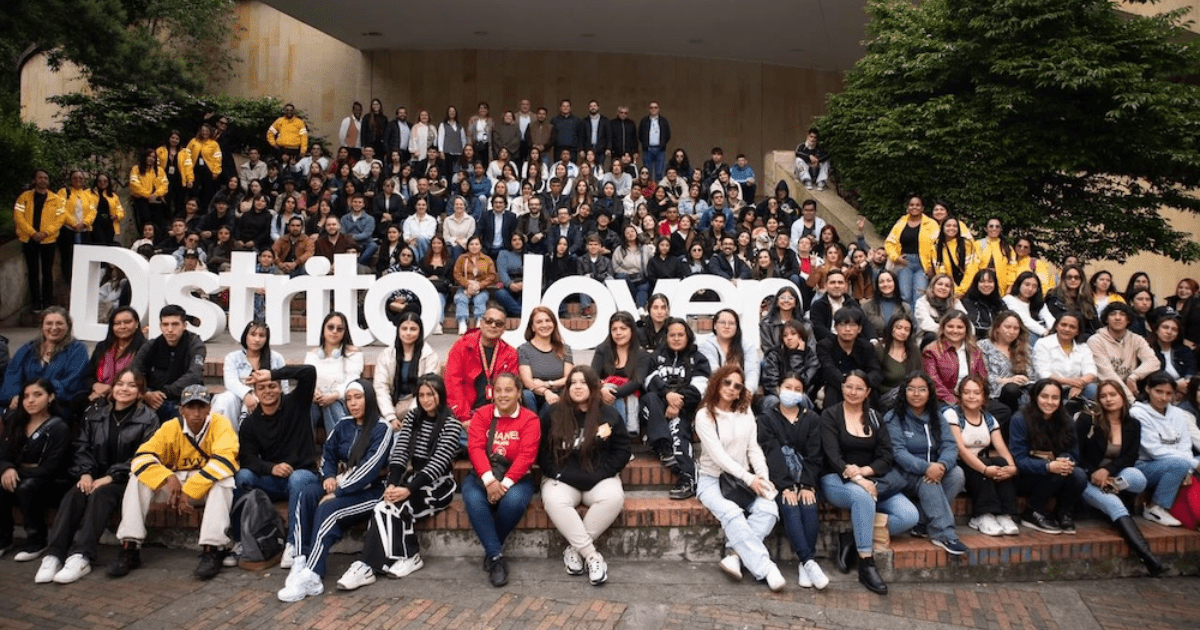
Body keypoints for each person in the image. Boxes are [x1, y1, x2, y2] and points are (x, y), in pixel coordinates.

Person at [335, 375, 462, 590]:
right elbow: (400, 452)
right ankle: (390, 559)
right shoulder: (412, 417)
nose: (425, 400)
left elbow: (437, 465)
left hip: (438, 485)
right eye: (421, 395)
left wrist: (408, 490)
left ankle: (376, 563)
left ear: (440, 395)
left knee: (396, 507)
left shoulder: (451, 425)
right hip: (412, 479)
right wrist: (393, 484)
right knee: (382, 506)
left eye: (430, 394)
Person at [33, 370, 157, 583]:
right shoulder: (95, 413)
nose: (124, 389)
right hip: (93, 476)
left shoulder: (148, 419)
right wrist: (86, 473)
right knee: (75, 494)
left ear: (140, 392)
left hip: (126, 481)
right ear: (113, 387)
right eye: (120, 383)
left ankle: (81, 556)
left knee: (101, 495)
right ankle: (53, 555)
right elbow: (82, 447)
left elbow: (145, 455)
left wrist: (110, 477)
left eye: (132, 385)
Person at [276, 380, 390, 601]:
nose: (353, 403)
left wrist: (338, 492)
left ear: (369, 398)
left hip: (372, 492)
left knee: (329, 509)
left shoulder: (381, 428)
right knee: (307, 493)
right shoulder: (343, 425)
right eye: (349, 399)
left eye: (358, 397)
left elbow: (370, 468)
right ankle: (300, 559)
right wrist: (328, 476)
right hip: (340, 483)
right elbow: (328, 454)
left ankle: (313, 575)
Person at [108, 385, 238, 579]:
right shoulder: (170, 427)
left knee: (224, 480)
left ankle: (212, 549)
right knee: (138, 478)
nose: (196, 413)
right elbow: (141, 458)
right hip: (174, 485)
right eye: (191, 407)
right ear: (181, 409)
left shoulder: (220, 424)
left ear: (209, 408)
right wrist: (167, 477)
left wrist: (190, 490)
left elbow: (225, 461)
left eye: (201, 407)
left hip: (201, 486)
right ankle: (130, 547)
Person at [820, 371, 917, 595]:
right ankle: (866, 563)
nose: (853, 392)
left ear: (868, 392)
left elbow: (886, 456)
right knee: (862, 497)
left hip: (873, 479)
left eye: (859, 388)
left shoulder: (875, 417)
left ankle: (851, 537)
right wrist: (858, 479)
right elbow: (833, 457)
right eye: (849, 387)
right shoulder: (830, 415)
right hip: (837, 479)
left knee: (909, 515)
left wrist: (864, 472)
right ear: (842, 387)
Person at [693, 364, 786, 591]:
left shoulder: (745, 412)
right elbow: (719, 457)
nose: (731, 388)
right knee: (732, 513)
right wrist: (749, 478)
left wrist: (762, 477)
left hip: (742, 481)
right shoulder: (704, 415)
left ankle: (734, 555)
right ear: (717, 383)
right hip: (712, 479)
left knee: (769, 509)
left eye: (737, 386)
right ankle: (767, 569)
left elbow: (753, 448)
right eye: (727, 382)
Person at [536, 366, 630, 586]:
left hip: (598, 478)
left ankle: (573, 550)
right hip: (562, 477)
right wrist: (557, 472)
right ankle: (592, 556)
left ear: (593, 386)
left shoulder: (608, 414)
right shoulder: (553, 413)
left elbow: (622, 450)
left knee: (613, 498)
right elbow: (541, 452)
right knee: (554, 501)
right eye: (573, 383)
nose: (577, 387)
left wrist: (603, 474)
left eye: (583, 382)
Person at [234, 363, 319, 569]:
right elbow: (247, 458)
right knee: (243, 476)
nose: (267, 391)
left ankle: (293, 543)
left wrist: (272, 373)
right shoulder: (251, 423)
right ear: (255, 393)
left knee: (297, 478)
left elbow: (309, 372)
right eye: (261, 388)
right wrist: (270, 468)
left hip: (303, 476)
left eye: (272, 385)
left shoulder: (296, 403)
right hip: (272, 481)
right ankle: (243, 538)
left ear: (280, 387)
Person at [1075, 381, 1165, 574]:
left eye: (1113, 395)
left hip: (1114, 477)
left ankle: (1110, 490)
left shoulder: (1133, 424)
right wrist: (1094, 473)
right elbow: (1076, 454)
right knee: (1115, 505)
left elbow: (1130, 456)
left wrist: (1107, 471)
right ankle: (1149, 558)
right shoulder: (1088, 420)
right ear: (1098, 400)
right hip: (1088, 479)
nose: (1108, 399)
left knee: (1137, 478)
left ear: (1122, 397)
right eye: (1103, 396)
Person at [461, 372, 540, 587]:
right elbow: (475, 448)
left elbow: (527, 456)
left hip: (517, 478)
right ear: (492, 393)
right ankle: (496, 557)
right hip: (483, 475)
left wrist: (502, 486)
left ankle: (491, 549)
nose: (503, 395)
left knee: (512, 502)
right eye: (498, 390)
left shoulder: (530, 419)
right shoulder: (482, 414)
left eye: (508, 390)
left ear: (519, 393)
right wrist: (489, 482)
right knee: (473, 500)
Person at [880, 372, 968, 554]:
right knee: (928, 481)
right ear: (904, 392)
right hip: (903, 474)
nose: (916, 394)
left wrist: (942, 465)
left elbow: (950, 445)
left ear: (929, 393)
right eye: (911, 389)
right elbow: (898, 453)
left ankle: (921, 523)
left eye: (922, 389)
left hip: (933, 469)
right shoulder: (894, 417)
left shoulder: (936, 416)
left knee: (957, 474)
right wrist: (926, 468)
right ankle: (943, 534)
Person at [757, 371, 828, 589]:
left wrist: (806, 484)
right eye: (788, 387)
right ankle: (809, 561)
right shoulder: (767, 419)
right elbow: (771, 453)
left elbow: (815, 455)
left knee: (809, 504)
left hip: (806, 476)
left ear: (804, 393)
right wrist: (786, 486)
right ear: (779, 389)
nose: (792, 392)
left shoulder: (812, 419)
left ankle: (805, 564)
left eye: (798, 389)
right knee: (790, 505)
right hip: (779, 479)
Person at [641, 317, 712, 500]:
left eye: (681, 334)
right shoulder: (656, 357)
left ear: (688, 336)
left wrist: (677, 404)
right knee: (649, 399)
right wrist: (667, 395)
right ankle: (664, 447)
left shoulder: (698, 359)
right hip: (656, 408)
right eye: (672, 335)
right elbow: (648, 381)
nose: (676, 338)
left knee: (679, 433)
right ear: (666, 337)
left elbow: (699, 389)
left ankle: (688, 478)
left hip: (683, 409)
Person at [0, 379, 70, 561]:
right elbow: (4, 455)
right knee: (3, 482)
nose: (30, 400)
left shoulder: (59, 427)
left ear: (50, 397)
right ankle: (4, 538)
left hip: (52, 483)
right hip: (24, 477)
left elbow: (50, 468)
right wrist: (7, 468)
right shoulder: (15, 422)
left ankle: (37, 540)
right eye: (26, 396)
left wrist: (15, 470)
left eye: (37, 395)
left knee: (26, 486)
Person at [1009, 379, 1087, 534]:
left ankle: (1063, 512)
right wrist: (1048, 466)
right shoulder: (1020, 419)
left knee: (1079, 475)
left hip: (1056, 472)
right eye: (1044, 396)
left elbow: (1074, 453)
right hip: (1026, 475)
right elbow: (1019, 459)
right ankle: (1032, 511)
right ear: (1035, 397)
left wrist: (1065, 460)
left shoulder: (1066, 420)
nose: (1050, 402)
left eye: (1055, 398)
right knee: (1057, 473)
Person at [946, 375, 1020, 537]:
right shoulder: (952, 415)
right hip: (959, 465)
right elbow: (960, 450)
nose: (971, 396)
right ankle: (982, 515)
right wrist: (985, 469)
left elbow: (1002, 448)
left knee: (1001, 462)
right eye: (966, 392)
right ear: (960, 395)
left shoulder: (988, 418)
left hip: (980, 464)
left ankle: (1004, 514)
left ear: (984, 397)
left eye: (976, 393)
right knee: (984, 465)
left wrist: (1011, 467)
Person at [1131, 371, 1200, 527]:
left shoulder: (1178, 413)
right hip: (1144, 466)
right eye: (1159, 391)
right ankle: (1156, 507)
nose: (1163, 397)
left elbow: (1185, 445)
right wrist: (1191, 464)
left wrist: (1188, 469)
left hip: (1176, 463)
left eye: (1169, 393)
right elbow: (1155, 450)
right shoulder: (1137, 413)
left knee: (1184, 463)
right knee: (1181, 463)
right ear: (1148, 389)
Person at [444, 304, 521, 434]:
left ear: (504, 329)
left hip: (496, 415)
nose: (493, 326)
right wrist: (465, 418)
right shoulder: (462, 346)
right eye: (489, 321)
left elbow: (510, 390)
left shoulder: (510, 354)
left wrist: (497, 417)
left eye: (499, 323)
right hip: (465, 414)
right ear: (481, 323)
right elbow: (453, 383)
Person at [2, 307, 88, 416]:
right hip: (24, 403)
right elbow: (12, 375)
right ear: (42, 326)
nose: (54, 327)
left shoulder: (78, 350)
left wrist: (40, 397)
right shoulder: (27, 348)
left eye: (59, 323)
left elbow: (72, 382)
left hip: (57, 407)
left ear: (68, 326)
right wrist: (15, 396)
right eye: (49, 323)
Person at [211, 321, 286, 430]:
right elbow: (230, 382)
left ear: (266, 339)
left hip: (267, 397)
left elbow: (284, 386)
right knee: (225, 399)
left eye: (262, 336)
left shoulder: (276, 358)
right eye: (253, 334)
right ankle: (227, 437)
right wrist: (246, 394)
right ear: (245, 336)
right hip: (238, 397)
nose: (257, 339)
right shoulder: (233, 357)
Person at [374, 312, 440, 430]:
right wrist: (391, 417)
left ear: (420, 331)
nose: (408, 333)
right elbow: (381, 387)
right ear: (398, 330)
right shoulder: (386, 355)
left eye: (413, 329)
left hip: (420, 406)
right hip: (393, 404)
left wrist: (410, 416)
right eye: (404, 329)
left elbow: (428, 388)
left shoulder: (429, 355)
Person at [304, 312, 363, 436]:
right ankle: (304, 447)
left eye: (339, 329)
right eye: (330, 327)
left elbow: (352, 380)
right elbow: (306, 379)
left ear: (345, 332)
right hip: (316, 401)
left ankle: (340, 445)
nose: (334, 331)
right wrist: (314, 392)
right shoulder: (312, 355)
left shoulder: (353, 354)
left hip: (340, 401)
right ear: (323, 330)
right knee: (306, 407)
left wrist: (334, 395)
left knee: (331, 405)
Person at [78, 307, 146, 414]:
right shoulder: (102, 347)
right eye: (117, 323)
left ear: (136, 323)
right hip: (97, 397)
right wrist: (95, 386)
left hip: (129, 399)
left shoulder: (145, 348)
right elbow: (88, 376)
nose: (122, 326)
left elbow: (144, 380)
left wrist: (111, 389)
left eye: (127, 322)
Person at [14, 170, 66, 311]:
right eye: (40, 177)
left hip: (48, 241)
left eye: (45, 178)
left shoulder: (56, 199)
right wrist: (32, 233)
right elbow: (18, 217)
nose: (43, 180)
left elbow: (60, 219)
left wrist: (46, 232)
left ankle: (47, 301)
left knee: (47, 272)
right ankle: (35, 302)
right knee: (33, 272)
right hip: (29, 240)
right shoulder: (24, 197)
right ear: (34, 180)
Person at [1088, 303, 1161, 400]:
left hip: (1130, 385)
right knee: (1091, 388)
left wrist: (1134, 377)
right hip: (1105, 387)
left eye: (1122, 314)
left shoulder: (1136, 339)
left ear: (1128, 320)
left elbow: (1154, 362)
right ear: (1106, 319)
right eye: (1113, 314)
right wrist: (1131, 400)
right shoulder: (1095, 341)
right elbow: (1108, 375)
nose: (1117, 318)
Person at [591, 312, 647, 435]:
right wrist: (602, 389)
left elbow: (637, 382)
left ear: (632, 331)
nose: (618, 333)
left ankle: (616, 435)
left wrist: (613, 393)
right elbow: (592, 376)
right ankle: (619, 435)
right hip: (603, 394)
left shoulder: (641, 354)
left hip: (631, 396)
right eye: (614, 329)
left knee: (613, 395)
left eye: (623, 328)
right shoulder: (602, 350)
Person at [817, 308, 883, 407]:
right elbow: (828, 370)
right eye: (843, 324)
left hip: (862, 385)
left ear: (859, 329)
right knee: (832, 393)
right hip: (836, 385)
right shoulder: (825, 345)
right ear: (835, 327)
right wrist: (849, 385)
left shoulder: (866, 347)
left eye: (852, 325)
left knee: (872, 394)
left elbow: (875, 371)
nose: (847, 329)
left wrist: (860, 384)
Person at [922, 310, 988, 406]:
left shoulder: (975, 350)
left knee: (1002, 410)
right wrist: (956, 402)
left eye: (960, 327)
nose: (955, 331)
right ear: (943, 328)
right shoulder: (931, 351)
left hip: (972, 399)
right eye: (950, 326)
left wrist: (976, 400)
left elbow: (982, 377)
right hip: (943, 401)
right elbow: (934, 384)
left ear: (966, 330)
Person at [884, 195, 938, 309]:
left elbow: (936, 246)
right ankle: (907, 320)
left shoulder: (931, 224)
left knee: (920, 295)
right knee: (905, 295)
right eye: (912, 205)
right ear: (907, 207)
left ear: (922, 208)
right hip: (905, 262)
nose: (914, 207)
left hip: (923, 265)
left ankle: (917, 321)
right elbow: (889, 243)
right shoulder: (901, 223)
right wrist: (895, 257)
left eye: (918, 205)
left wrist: (931, 266)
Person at [979, 312, 1033, 424]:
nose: (1011, 331)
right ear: (997, 328)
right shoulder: (983, 346)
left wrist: (1024, 379)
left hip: (1022, 390)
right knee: (1011, 389)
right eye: (1007, 327)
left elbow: (1033, 374)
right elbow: (982, 374)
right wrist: (1006, 380)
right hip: (995, 392)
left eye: (1016, 328)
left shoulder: (1025, 348)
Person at [1033, 311, 1099, 403]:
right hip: (1048, 388)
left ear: (1078, 331)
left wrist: (1079, 385)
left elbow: (1091, 372)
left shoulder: (1083, 347)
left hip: (1074, 389)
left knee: (1093, 389)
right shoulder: (1043, 344)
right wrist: (1070, 382)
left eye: (1072, 327)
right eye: (1063, 325)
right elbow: (1043, 373)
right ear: (1056, 326)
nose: (1067, 329)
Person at [518, 306, 573, 414]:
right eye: (539, 322)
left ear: (554, 324)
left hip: (557, 395)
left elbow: (568, 378)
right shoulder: (523, 350)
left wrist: (548, 384)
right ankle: (532, 423)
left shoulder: (565, 349)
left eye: (548, 320)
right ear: (533, 327)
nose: (544, 325)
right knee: (526, 395)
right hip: (533, 396)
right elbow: (528, 382)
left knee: (555, 401)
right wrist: (546, 392)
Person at [699, 309, 761, 398]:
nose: (727, 326)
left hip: (742, 394)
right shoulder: (705, 347)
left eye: (731, 323)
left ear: (737, 327)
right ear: (715, 325)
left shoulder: (747, 346)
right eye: (722, 322)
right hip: (717, 394)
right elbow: (715, 373)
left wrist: (747, 390)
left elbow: (752, 371)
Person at [761, 320, 820, 411]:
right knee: (772, 400)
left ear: (801, 336)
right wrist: (786, 396)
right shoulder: (774, 354)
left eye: (793, 334)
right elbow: (771, 383)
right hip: (778, 394)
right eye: (785, 335)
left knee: (802, 398)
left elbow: (804, 382)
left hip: (801, 394)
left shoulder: (811, 356)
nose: (789, 338)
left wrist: (797, 355)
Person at [453, 237, 498, 334]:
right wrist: (467, 284)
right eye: (471, 244)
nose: (474, 246)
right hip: (465, 287)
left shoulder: (486, 259)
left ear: (481, 246)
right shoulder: (462, 258)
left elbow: (492, 276)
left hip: (481, 288)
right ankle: (462, 322)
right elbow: (457, 274)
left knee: (480, 299)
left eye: (477, 244)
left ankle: (479, 321)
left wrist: (479, 285)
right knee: (461, 299)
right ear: (468, 246)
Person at [876, 314, 922, 407]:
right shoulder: (879, 350)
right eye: (899, 328)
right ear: (891, 328)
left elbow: (921, 375)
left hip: (913, 399)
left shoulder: (914, 350)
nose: (903, 332)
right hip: (887, 401)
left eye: (907, 329)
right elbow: (876, 382)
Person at [1148, 311, 1195, 397]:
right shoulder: (1148, 350)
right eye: (1165, 327)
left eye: (1174, 329)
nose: (1169, 332)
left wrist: (1186, 382)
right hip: (1156, 394)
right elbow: (1151, 379)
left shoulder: (1185, 351)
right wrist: (1175, 386)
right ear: (1157, 330)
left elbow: (1191, 371)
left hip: (1183, 394)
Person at [861, 270, 910, 341]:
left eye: (889, 281)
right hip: (874, 344)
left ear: (895, 283)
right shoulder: (866, 306)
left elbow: (913, 330)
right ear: (877, 285)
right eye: (881, 282)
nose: (885, 284)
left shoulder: (905, 307)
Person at [915, 274, 964, 342]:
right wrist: (949, 331)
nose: (943, 288)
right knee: (932, 336)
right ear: (933, 286)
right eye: (940, 284)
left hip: (954, 337)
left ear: (950, 290)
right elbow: (926, 324)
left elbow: (967, 322)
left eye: (947, 286)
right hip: (931, 338)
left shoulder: (955, 302)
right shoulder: (922, 301)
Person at [1003, 271, 1051, 341]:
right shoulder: (1009, 299)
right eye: (1027, 284)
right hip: (1020, 336)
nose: (1030, 289)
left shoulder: (1038, 302)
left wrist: (1055, 331)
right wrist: (1045, 332)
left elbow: (1049, 318)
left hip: (1040, 335)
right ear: (1019, 284)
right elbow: (1024, 320)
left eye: (1034, 286)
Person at [960, 268, 1006, 335]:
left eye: (990, 282)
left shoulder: (1000, 302)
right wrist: (998, 330)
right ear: (976, 284)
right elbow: (976, 325)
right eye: (982, 281)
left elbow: (1008, 320)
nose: (986, 285)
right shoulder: (968, 302)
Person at [638, 101, 670, 181]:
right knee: (647, 173)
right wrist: (645, 144)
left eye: (655, 108)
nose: (653, 109)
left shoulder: (663, 121)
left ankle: (658, 188)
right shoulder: (644, 121)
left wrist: (662, 144)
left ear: (658, 109)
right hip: (648, 150)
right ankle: (649, 188)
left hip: (660, 150)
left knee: (659, 173)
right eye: (651, 108)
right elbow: (640, 135)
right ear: (649, 109)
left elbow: (667, 135)